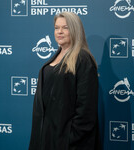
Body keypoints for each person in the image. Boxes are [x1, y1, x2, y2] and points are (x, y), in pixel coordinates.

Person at [28, 12, 99, 150]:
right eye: (56, 28)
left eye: (65, 27)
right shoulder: (54, 57)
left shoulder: (83, 59)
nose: (59, 32)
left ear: (75, 30)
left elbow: (86, 110)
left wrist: (69, 139)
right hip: (45, 140)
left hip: (67, 144)